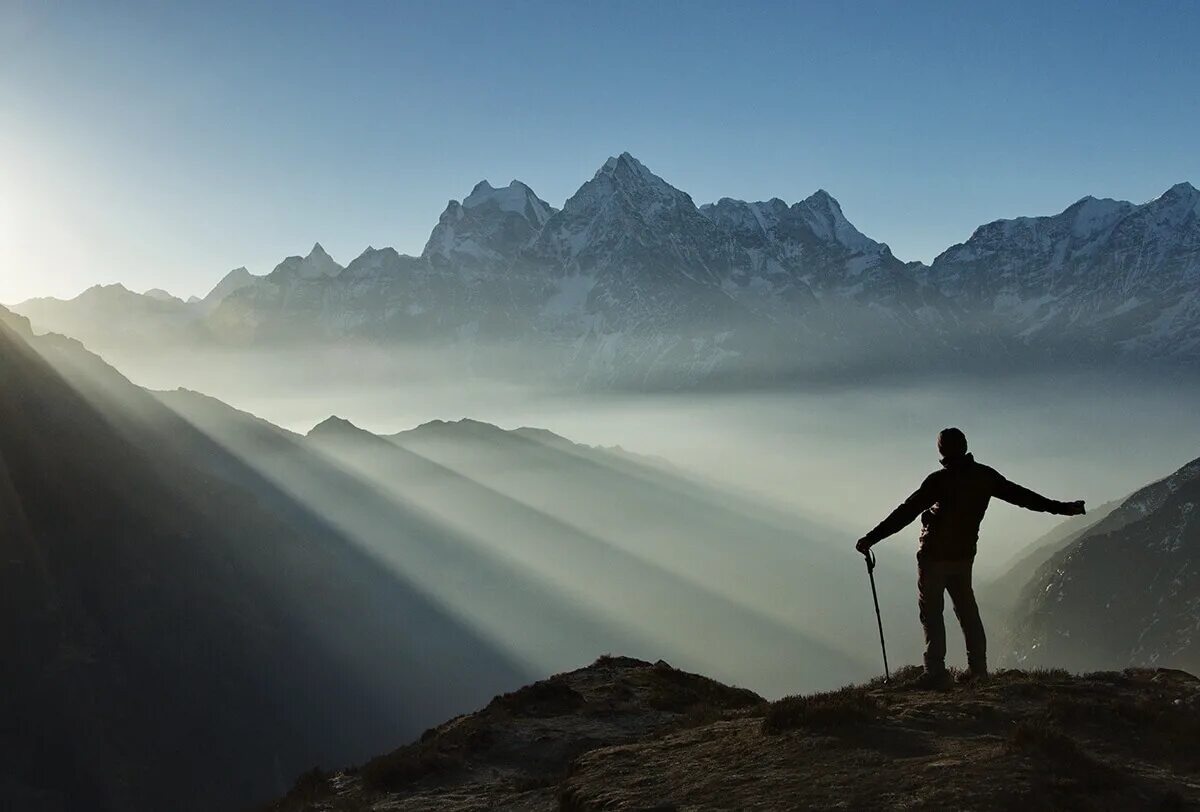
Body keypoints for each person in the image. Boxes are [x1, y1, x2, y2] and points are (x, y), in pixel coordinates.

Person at [855, 427, 1085, 688]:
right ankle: (978, 669)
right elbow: (1024, 497)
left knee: (932, 613)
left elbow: (905, 513)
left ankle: (936, 673)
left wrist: (870, 539)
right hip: (963, 557)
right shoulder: (984, 476)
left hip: (933, 558)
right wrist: (1062, 508)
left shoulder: (938, 481)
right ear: (964, 446)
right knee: (967, 611)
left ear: (942, 450)